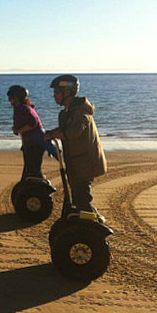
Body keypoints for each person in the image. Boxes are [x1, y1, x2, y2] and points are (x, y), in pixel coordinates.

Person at [44, 75, 107, 214]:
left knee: (82, 198)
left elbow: (74, 132)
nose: (54, 96)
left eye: (56, 92)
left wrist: (55, 135)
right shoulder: (69, 112)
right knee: (78, 198)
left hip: (85, 163)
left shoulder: (81, 111)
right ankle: (83, 220)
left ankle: (88, 226)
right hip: (76, 163)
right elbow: (65, 129)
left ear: (67, 93)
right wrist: (52, 133)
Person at [7, 85, 57, 182]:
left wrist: (18, 130)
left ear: (16, 98)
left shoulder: (23, 108)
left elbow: (33, 124)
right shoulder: (23, 107)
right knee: (30, 169)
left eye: (11, 98)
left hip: (35, 141)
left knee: (32, 170)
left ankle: (38, 189)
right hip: (31, 141)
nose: (9, 101)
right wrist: (17, 129)